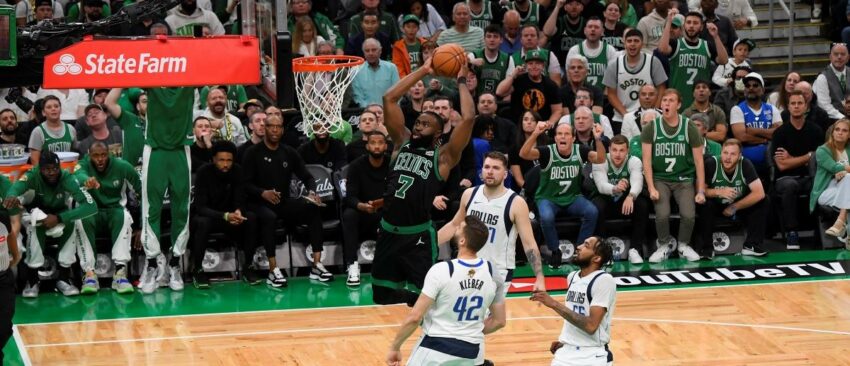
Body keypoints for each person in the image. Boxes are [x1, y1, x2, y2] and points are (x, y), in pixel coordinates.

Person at [373, 56, 475, 306]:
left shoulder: (443, 158)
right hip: (387, 231)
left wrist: (461, 80)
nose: (418, 126)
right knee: (381, 297)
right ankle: (419, 299)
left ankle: (429, 314)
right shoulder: (401, 143)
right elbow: (389, 98)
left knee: (424, 302)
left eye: (426, 124)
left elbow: (470, 118)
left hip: (416, 237)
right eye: (418, 122)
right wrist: (424, 70)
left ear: (439, 132)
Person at [386, 216, 506, 366]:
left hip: (435, 349)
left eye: (459, 228)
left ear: (462, 241)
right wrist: (468, 333)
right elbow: (499, 321)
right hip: (473, 354)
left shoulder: (442, 270)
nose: (455, 229)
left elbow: (415, 317)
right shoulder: (492, 272)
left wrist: (395, 347)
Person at [438, 151, 546, 293]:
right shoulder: (469, 194)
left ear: (505, 174)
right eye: (487, 167)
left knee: (489, 315)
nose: (490, 172)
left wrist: (539, 276)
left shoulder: (516, 203)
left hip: (497, 272)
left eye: (496, 168)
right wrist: (430, 244)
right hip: (467, 266)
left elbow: (529, 243)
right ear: (481, 170)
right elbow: (454, 225)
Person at [243, 115, 331, 286]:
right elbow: (244, 184)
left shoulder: (289, 152)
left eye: (278, 126)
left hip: (282, 202)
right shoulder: (252, 152)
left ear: (283, 130)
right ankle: (273, 270)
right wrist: (262, 193)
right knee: (269, 217)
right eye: (271, 126)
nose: (275, 130)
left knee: (312, 208)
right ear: (265, 128)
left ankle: (316, 265)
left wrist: (312, 192)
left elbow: (307, 177)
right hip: (258, 203)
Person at [5, 151, 98, 297]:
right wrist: (11, 196)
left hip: (59, 214)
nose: (52, 172)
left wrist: (60, 218)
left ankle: (64, 279)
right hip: (36, 213)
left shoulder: (67, 177)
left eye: (55, 168)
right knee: (34, 225)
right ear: (40, 169)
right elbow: (16, 187)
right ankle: (33, 281)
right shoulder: (32, 175)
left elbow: (91, 207)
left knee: (73, 222)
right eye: (47, 169)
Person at [519, 121, 606, 268]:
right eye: (559, 134)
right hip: (548, 198)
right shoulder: (547, 152)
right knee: (546, 217)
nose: (562, 137)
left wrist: (598, 139)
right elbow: (523, 154)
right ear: (555, 138)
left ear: (573, 138)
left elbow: (601, 159)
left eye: (566, 134)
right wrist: (535, 133)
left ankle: (580, 249)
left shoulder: (581, 150)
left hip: (572, 197)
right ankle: (555, 251)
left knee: (592, 211)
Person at [138, 87, 195, 294]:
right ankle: (152, 263)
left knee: (181, 209)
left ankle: (175, 262)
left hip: (181, 148)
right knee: (150, 208)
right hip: (155, 149)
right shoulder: (154, 74)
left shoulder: (190, 75)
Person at [530, 236, 616, 366]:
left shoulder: (604, 280)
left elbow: (591, 326)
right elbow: (574, 312)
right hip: (566, 353)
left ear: (596, 258)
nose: (579, 246)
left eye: (586, 245)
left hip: (592, 355)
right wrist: (566, 341)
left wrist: (554, 304)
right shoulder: (573, 277)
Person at [643, 90, 705, 263]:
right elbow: (646, 161)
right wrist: (651, 187)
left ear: (678, 105)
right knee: (662, 214)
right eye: (664, 100)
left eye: (671, 101)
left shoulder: (689, 126)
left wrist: (700, 190)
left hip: (684, 179)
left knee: (688, 214)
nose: (666, 104)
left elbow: (699, 161)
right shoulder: (651, 127)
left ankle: (683, 245)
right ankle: (663, 245)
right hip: (660, 178)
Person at [191, 141, 262, 288]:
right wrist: (225, 215)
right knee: (202, 222)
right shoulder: (204, 172)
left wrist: (238, 212)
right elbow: (200, 207)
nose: (225, 164)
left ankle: (248, 267)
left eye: (229, 160)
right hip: (210, 216)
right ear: (214, 159)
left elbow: (240, 199)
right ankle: (197, 269)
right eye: (221, 160)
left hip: (230, 217)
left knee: (252, 218)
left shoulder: (238, 171)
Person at [74, 142, 141, 294]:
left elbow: (141, 193)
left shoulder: (123, 167)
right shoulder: (82, 164)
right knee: (80, 219)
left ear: (109, 154)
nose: (100, 159)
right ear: (89, 155)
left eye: (103, 155)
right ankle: (89, 274)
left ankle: (120, 273)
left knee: (123, 216)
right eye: (96, 156)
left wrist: (140, 226)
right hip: (91, 211)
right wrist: (87, 180)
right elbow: (78, 174)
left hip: (114, 210)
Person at [770, 91, 824, 250]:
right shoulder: (780, 133)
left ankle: (820, 231)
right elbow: (782, 166)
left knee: (820, 184)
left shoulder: (816, 131)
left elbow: (820, 160)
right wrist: (808, 156)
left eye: (800, 103)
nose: (796, 106)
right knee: (790, 186)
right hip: (784, 179)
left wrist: (792, 158)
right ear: (788, 107)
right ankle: (792, 232)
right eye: (793, 103)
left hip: (809, 177)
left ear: (806, 106)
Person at [698, 139, 768, 258]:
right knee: (705, 204)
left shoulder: (745, 164)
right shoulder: (711, 163)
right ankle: (707, 248)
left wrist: (735, 207)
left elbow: (759, 193)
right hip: (716, 205)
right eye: (725, 153)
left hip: (737, 206)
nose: (727, 157)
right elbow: (700, 191)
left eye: (732, 154)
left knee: (764, 200)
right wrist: (718, 191)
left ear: (740, 156)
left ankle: (751, 245)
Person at [342, 131, 389, 287]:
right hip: (363, 212)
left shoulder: (392, 165)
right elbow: (349, 197)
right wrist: (363, 206)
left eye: (380, 142)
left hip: (384, 211)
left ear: (386, 146)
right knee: (349, 215)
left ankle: (392, 266)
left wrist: (381, 204)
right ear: (367, 146)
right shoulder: (356, 166)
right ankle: (352, 265)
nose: (376, 146)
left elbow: (397, 193)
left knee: (399, 212)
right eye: (373, 143)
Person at [591, 135, 648, 264]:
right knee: (596, 207)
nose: (617, 154)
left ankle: (635, 249)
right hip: (606, 199)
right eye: (614, 150)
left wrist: (631, 196)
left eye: (622, 150)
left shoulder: (634, 161)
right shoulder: (600, 160)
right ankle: (603, 251)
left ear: (627, 151)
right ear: (609, 149)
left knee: (642, 205)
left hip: (625, 202)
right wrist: (615, 188)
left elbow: (637, 182)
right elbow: (601, 186)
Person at [656, 11, 728, 112]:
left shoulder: (707, 45)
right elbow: (662, 49)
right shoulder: (676, 44)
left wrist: (716, 36)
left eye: (695, 23)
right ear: (684, 25)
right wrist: (668, 22)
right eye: (688, 22)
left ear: (701, 27)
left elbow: (724, 60)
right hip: (678, 99)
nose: (691, 26)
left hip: (700, 101)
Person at [602, 29, 668, 132]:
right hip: (621, 118)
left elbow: (661, 89)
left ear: (642, 44)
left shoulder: (653, 62)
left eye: (636, 41)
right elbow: (611, 94)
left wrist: (653, 112)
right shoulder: (614, 64)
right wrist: (627, 116)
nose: (632, 44)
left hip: (649, 118)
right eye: (629, 41)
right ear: (624, 43)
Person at [730, 72, 783, 177]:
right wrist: (765, 139)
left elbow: (779, 134)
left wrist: (753, 130)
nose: (751, 88)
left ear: (763, 90)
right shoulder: (737, 109)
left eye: (755, 85)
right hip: (746, 159)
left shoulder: (772, 108)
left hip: (771, 156)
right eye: (748, 86)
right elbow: (741, 137)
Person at [496, 49, 563, 126]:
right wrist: (513, 75)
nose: (534, 67)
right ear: (526, 65)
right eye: (530, 64)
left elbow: (557, 110)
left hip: (541, 127)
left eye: (538, 63)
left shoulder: (550, 85)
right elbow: (499, 92)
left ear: (543, 66)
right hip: (518, 126)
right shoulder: (519, 80)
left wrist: (549, 124)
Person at [811, 119, 850, 250]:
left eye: (844, 130)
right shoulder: (822, 150)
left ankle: (841, 224)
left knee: (848, 181)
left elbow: (840, 169)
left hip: (844, 191)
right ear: (832, 133)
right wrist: (842, 171)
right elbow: (834, 168)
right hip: (826, 192)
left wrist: (843, 171)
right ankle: (843, 225)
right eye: (837, 130)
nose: (840, 133)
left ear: (849, 134)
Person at [566, 17, 619, 92]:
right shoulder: (575, 50)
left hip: (604, 97)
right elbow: (570, 77)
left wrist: (602, 98)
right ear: (585, 30)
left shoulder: (610, 50)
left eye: (596, 27)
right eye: (590, 27)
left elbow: (613, 78)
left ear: (602, 31)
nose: (593, 29)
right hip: (579, 96)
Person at [0, 173, 19, 363]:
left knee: (5, 327)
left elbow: (11, 236)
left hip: (3, 279)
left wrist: (15, 256)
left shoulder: (2, 218)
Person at [28, 95, 77, 165]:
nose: (53, 109)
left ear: (61, 110)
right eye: (49, 107)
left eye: (56, 106)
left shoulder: (70, 129)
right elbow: (34, 161)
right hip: (48, 173)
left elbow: (75, 155)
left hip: (68, 173)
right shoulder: (38, 131)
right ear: (43, 112)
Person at [351, 38, 400, 108]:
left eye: (374, 50)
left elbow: (397, 92)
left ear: (380, 51)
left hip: (390, 111)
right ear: (363, 53)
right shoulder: (356, 70)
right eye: (367, 51)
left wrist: (390, 109)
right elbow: (358, 97)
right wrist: (371, 111)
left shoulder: (391, 68)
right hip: (366, 113)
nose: (370, 53)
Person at [104, 88, 146, 169]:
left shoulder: (162, 123)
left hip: (154, 171)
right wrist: (122, 78)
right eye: (144, 101)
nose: (149, 104)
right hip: (131, 171)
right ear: (138, 106)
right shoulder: (130, 119)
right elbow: (109, 103)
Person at [472, 25, 512, 97]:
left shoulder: (508, 59)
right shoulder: (474, 55)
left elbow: (510, 85)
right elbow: (460, 61)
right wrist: (471, 61)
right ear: (484, 39)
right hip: (477, 100)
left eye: (495, 36)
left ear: (501, 40)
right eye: (489, 36)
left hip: (499, 101)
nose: (492, 40)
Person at [813, 43, 850, 123]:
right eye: (836, 54)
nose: (839, 57)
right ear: (830, 57)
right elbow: (824, 105)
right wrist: (843, 118)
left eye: (843, 54)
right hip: (833, 121)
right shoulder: (822, 77)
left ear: (848, 58)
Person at [542, 0, 586, 65]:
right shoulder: (559, 21)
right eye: (570, 4)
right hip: (559, 66)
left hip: (579, 66)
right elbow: (547, 32)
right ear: (565, 7)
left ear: (582, 7)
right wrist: (557, 7)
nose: (574, 7)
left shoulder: (587, 24)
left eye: (577, 4)